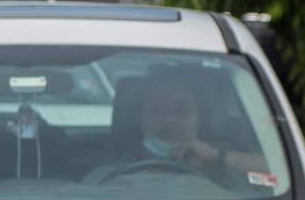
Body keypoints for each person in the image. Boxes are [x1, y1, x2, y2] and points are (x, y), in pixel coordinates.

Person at [86, 77, 267, 184]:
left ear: (201, 120)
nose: (170, 119)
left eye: (182, 109)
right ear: (138, 118)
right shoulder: (105, 178)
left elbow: (278, 179)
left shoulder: (233, 173)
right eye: (157, 108)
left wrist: (217, 156)